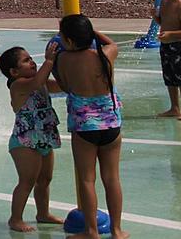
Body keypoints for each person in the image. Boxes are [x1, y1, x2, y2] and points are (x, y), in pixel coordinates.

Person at [50, 15, 127, 239]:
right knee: (112, 178)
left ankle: (91, 231)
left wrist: (50, 58)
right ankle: (117, 230)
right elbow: (112, 43)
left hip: (84, 127)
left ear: (70, 41)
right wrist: (94, 33)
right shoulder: (105, 55)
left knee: (87, 179)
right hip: (111, 123)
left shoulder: (63, 61)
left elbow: (64, 85)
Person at [0, 46, 64, 233]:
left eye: (30, 58)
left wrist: (62, 64)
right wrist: (49, 61)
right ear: (14, 72)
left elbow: (61, 86)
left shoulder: (40, 82)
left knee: (45, 179)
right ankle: (15, 218)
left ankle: (43, 213)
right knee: (27, 180)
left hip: (44, 137)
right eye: (26, 60)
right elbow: (36, 83)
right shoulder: (18, 85)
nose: (32, 62)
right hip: (25, 141)